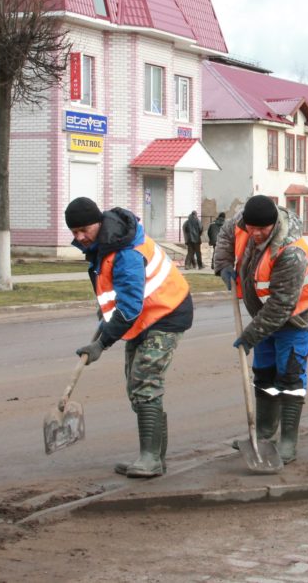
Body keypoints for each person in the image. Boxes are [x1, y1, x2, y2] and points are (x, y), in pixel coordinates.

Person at [65, 197, 193, 478]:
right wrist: (105, 312)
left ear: (98, 223)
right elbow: (118, 294)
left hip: (166, 314)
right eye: (74, 232)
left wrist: (101, 344)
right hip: (143, 317)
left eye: (84, 230)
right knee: (135, 388)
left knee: (145, 384)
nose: (80, 237)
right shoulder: (103, 244)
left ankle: (150, 458)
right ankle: (154, 457)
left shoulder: (125, 251)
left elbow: (130, 305)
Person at [213, 195, 308, 463]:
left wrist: (249, 337)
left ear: (274, 224)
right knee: (264, 375)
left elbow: (282, 306)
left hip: (294, 318)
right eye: (252, 228)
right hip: (262, 315)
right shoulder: (242, 223)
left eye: (263, 229)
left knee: (290, 377)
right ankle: (263, 435)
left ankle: (287, 442)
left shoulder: (290, 251)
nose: (256, 234)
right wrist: (224, 265)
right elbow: (226, 236)